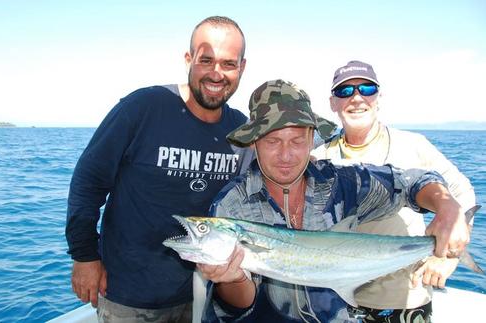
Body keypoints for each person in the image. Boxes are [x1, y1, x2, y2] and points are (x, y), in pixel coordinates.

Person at [196, 79, 470, 323]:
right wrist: (231, 278)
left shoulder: (341, 183)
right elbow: (239, 306)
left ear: (311, 139)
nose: (286, 155)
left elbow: (409, 182)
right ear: (254, 142)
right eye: (272, 141)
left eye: (297, 141)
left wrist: (447, 207)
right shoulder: (231, 205)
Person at [66, 16, 253, 323]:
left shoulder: (241, 131)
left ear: (242, 67)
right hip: (129, 294)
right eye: (206, 60)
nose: (216, 73)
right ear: (188, 59)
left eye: (229, 64)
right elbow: (88, 182)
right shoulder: (142, 107)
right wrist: (84, 255)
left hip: (202, 293)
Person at [311, 60, 476, 322]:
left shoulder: (413, 145)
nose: (356, 98)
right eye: (345, 91)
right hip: (335, 305)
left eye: (366, 89)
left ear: (378, 97)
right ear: (332, 103)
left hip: (404, 300)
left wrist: (448, 257)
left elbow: (463, 194)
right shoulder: (317, 157)